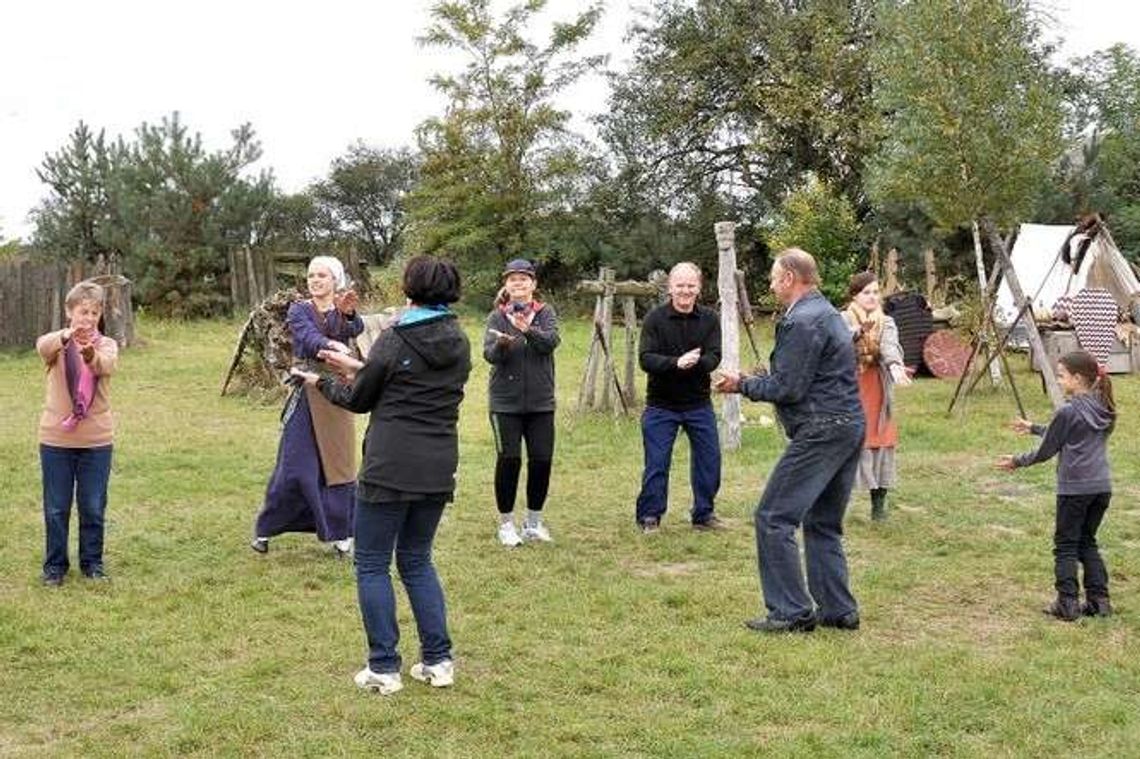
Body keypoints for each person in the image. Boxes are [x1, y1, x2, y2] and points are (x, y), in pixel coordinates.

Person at [294, 255, 471, 695]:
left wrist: (320, 381)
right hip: (438, 464)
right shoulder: (459, 338)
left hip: (390, 464)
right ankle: (438, 661)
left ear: (410, 289)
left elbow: (359, 399)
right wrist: (361, 368)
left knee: (372, 563)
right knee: (417, 560)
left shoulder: (396, 337)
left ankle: (383, 667)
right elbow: (400, 381)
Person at [715, 249, 863, 633]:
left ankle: (791, 611)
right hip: (848, 424)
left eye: (773, 276)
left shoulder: (802, 321)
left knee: (773, 517)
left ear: (789, 278)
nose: (770, 284)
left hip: (820, 428)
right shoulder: (828, 314)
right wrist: (759, 379)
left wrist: (742, 384)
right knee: (822, 521)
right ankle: (838, 610)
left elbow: (789, 388)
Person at [250, 256, 363, 556]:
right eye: (311, 275)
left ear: (335, 280)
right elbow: (309, 338)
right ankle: (267, 528)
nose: (315, 280)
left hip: (337, 395)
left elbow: (355, 327)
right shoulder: (299, 310)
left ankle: (341, 534)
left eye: (322, 275)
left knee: (337, 467)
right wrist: (332, 345)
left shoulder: (340, 309)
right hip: (306, 393)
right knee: (296, 465)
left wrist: (348, 315)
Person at [997, 350, 1115, 621]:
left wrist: (1017, 461)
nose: (1059, 381)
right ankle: (1099, 602)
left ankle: (1067, 604)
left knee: (1066, 545)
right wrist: (1034, 427)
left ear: (1077, 378)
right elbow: (1067, 432)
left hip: (1075, 489)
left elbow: (1047, 449)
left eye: (1062, 376)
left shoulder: (1068, 411)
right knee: (1087, 541)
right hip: (1101, 487)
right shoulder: (1104, 407)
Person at [36, 281, 119, 585]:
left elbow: (105, 365)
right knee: (56, 508)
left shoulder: (107, 345)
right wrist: (65, 337)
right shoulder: (57, 345)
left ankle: (92, 564)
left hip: (96, 441)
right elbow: (42, 346)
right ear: (69, 311)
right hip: (55, 441)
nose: (89, 318)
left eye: (95, 313)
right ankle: (55, 567)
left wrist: (89, 354)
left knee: (93, 507)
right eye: (83, 312)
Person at [635, 261, 723, 533]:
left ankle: (703, 514)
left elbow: (714, 355)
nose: (685, 291)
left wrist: (696, 363)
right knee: (657, 463)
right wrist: (676, 363)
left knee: (709, 461)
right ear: (670, 288)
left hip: (698, 404)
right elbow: (646, 359)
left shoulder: (710, 319)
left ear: (699, 288)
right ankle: (650, 515)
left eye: (691, 286)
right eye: (680, 285)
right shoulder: (655, 319)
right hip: (661, 405)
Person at [483, 258, 561, 546]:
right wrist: (502, 343)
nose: (518, 283)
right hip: (505, 403)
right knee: (509, 460)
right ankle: (506, 525)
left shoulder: (545, 312)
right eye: (512, 279)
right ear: (506, 285)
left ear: (533, 284)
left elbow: (550, 343)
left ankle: (533, 523)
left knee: (541, 461)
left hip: (541, 402)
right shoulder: (497, 317)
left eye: (523, 279)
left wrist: (528, 329)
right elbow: (490, 355)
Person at [841, 272, 912, 521]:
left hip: (877, 389)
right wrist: (857, 333)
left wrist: (895, 367)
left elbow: (890, 347)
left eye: (875, 292)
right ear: (855, 295)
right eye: (866, 292)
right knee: (848, 443)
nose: (872, 297)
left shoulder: (886, 322)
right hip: (850, 389)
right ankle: (836, 506)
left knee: (881, 439)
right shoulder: (842, 319)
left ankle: (878, 506)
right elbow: (839, 341)